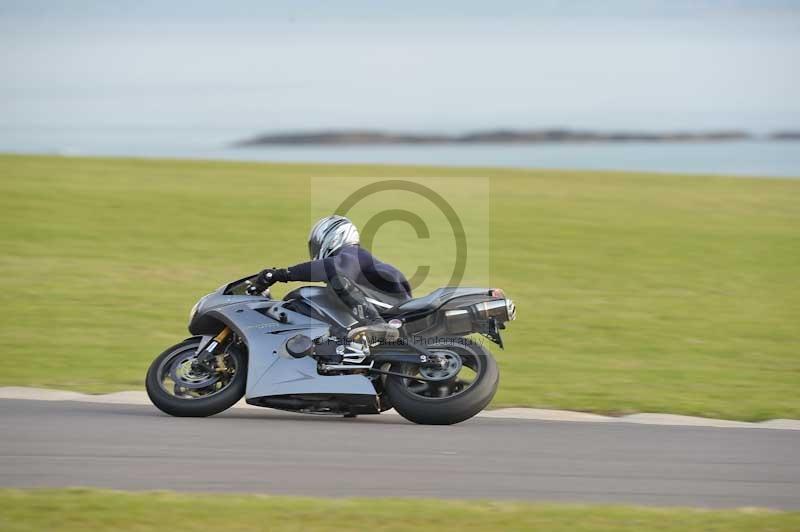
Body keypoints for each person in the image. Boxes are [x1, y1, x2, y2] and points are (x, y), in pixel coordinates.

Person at [255, 215, 411, 322]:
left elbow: (331, 267)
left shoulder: (352, 254)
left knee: (336, 283)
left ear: (331, 238)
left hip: (392, 307)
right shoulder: (357, 259)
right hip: (390, 304)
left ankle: (374, 324)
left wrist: (280, 274)